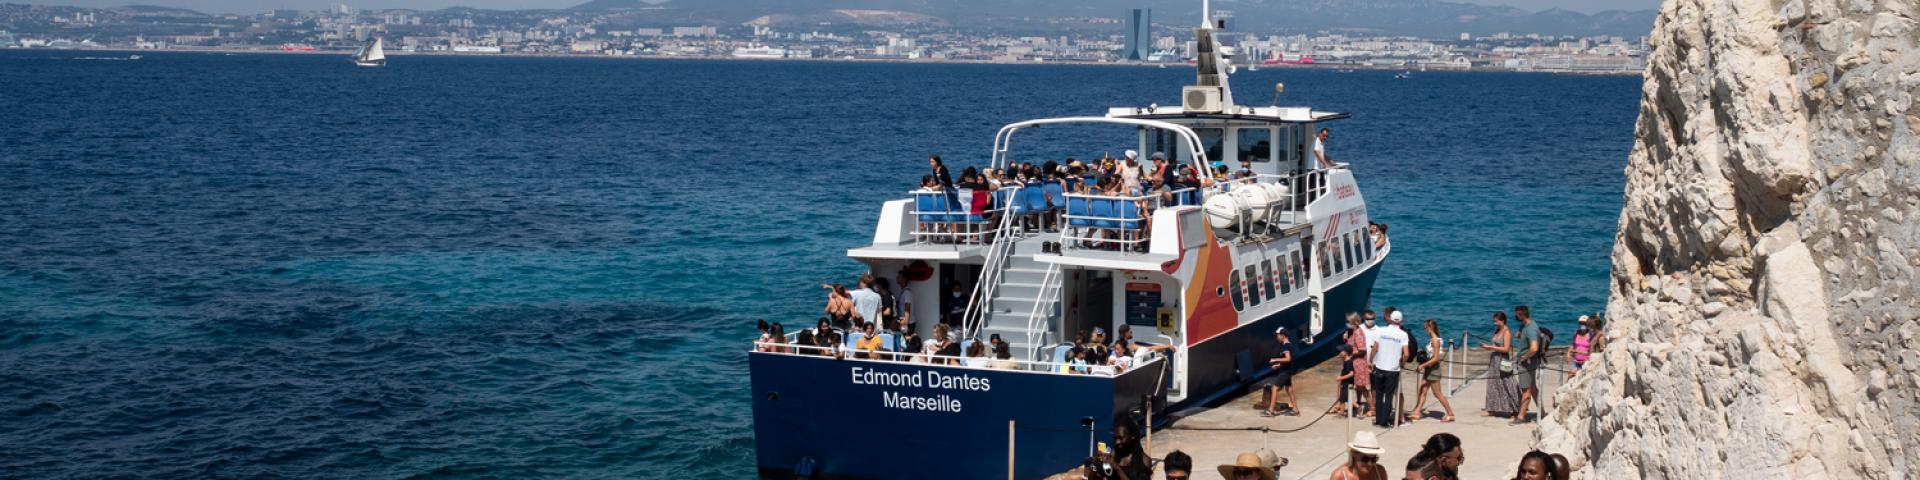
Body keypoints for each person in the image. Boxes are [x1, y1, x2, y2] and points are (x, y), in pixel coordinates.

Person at [1406, 319, 1457, 423]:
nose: (1425, 329)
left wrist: (1423, 365)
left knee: (1437, 393)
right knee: (1423, 390)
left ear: (1430, 327)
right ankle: (1417, 412)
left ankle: (1450, 413)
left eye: (1425, 327)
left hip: (1434, 370)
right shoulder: (1432, 340)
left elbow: (1436, 358)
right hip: (1429, 369)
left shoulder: (1435, 340)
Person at [1368, 310, 1411, 428]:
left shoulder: (1381, 330)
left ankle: (1378, 420)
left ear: (1390, 319)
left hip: (1379, 367)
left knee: (1378, 395)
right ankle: (1384, 421)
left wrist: (1371, 361)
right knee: (1389, 396)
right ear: (1401, 321)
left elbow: (1375, 348)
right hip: (1393, 370)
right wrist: (1402, 363)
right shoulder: (1403, 334)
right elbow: (1406, 354)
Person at [1480, 312, 1519, 418]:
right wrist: (1488, 347)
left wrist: (1491, 347)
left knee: (1508, 383)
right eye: (1494, 321)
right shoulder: (1497, 330)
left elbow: (1506, 349)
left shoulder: (1506, 332)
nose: (1494, 323)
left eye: (1496, 321)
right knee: (1493, 384)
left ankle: (1515, 409)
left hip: (1503, 360)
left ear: (1503, 321)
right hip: (1494, 360)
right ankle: (1492, 409)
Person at [1511, 305, 1543, 425]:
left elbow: (1534, 348)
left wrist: (1524, 357)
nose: (1515, 317)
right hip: (1530, 361)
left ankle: (1521, 417)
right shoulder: (1526, 326)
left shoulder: (1531, 329)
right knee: (1533, 387)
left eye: (1516, 314)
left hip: (1527, 362)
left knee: (1526, 389)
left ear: (1521, 314)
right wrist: (1520, 335)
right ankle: (1542, 412)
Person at [1257, 326, 1298, 417]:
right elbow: (1288, 361)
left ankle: (1271, 410)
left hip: (1285, 372)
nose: (1276, 337)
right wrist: (1279, 365)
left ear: (1282, 335)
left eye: (1277, 335)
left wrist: (1275, 359)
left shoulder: (1285, 346)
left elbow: (1288, 359)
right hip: (1287, 370)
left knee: (1274, 388)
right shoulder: (1288, 345)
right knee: (1289, 389)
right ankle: (1295, 409)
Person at [1344, 313, 1374, 417]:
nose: (1347, 323)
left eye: (1348, 321)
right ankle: (1358, 403)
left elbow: (1362, 350)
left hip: (1359, 364)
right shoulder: (1352, 332)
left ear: (1355, 322)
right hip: (1354, 363)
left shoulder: (1358, 333)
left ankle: (1372, 407)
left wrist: (1351, 354)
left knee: (1362, 387)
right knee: (1358, 386)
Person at [1328, 344, 1357, 417]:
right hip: (1345, 383)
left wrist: (1341, 378)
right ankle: (1356, 408)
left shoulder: (1348, 362)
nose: (1339, 352)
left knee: (1342, 399)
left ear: (1346, 353)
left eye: (1341, 351)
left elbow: (1352, 373)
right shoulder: (1346, 360)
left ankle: (1342, 412)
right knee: (1345, 398)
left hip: (1347, 383)